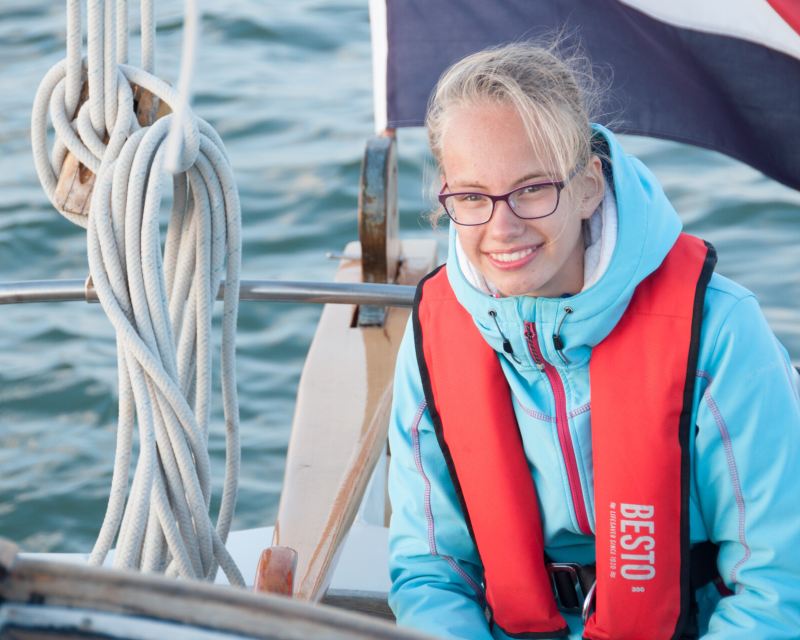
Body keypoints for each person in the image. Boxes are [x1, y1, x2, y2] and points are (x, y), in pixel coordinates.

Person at [387, 41, 800, 640]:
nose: (502, 227)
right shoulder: (436, 337)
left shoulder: (720, 328)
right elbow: (431, 571)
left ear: (587, 188)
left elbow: (776, 584)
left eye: (532, 189)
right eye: (473, 196)